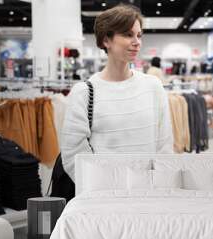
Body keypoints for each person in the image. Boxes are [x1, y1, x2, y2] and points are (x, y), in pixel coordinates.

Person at [60, 4, 173, 182]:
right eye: (128, 35)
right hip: (102, 196)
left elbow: (164, 146)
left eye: (139, 35)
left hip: (148, 192)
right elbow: (73, 153)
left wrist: (157, 183)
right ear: (106, 40)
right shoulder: (84, 92)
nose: (137, 42)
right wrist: (99, 187)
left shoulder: (153, 86)